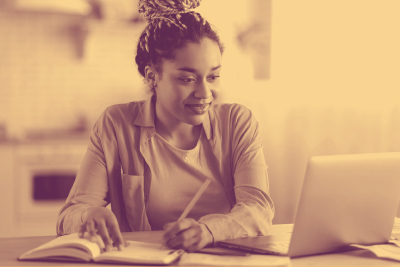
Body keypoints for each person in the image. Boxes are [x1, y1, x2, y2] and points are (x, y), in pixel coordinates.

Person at [56, 0, 275, 253]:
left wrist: (208, 231)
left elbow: (258, 209)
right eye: (187, 79)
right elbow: (68, 216)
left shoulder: (238, 123)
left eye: (213, 77)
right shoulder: (116, 125)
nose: (205, 93)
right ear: (152, 76)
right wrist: (88, 216)